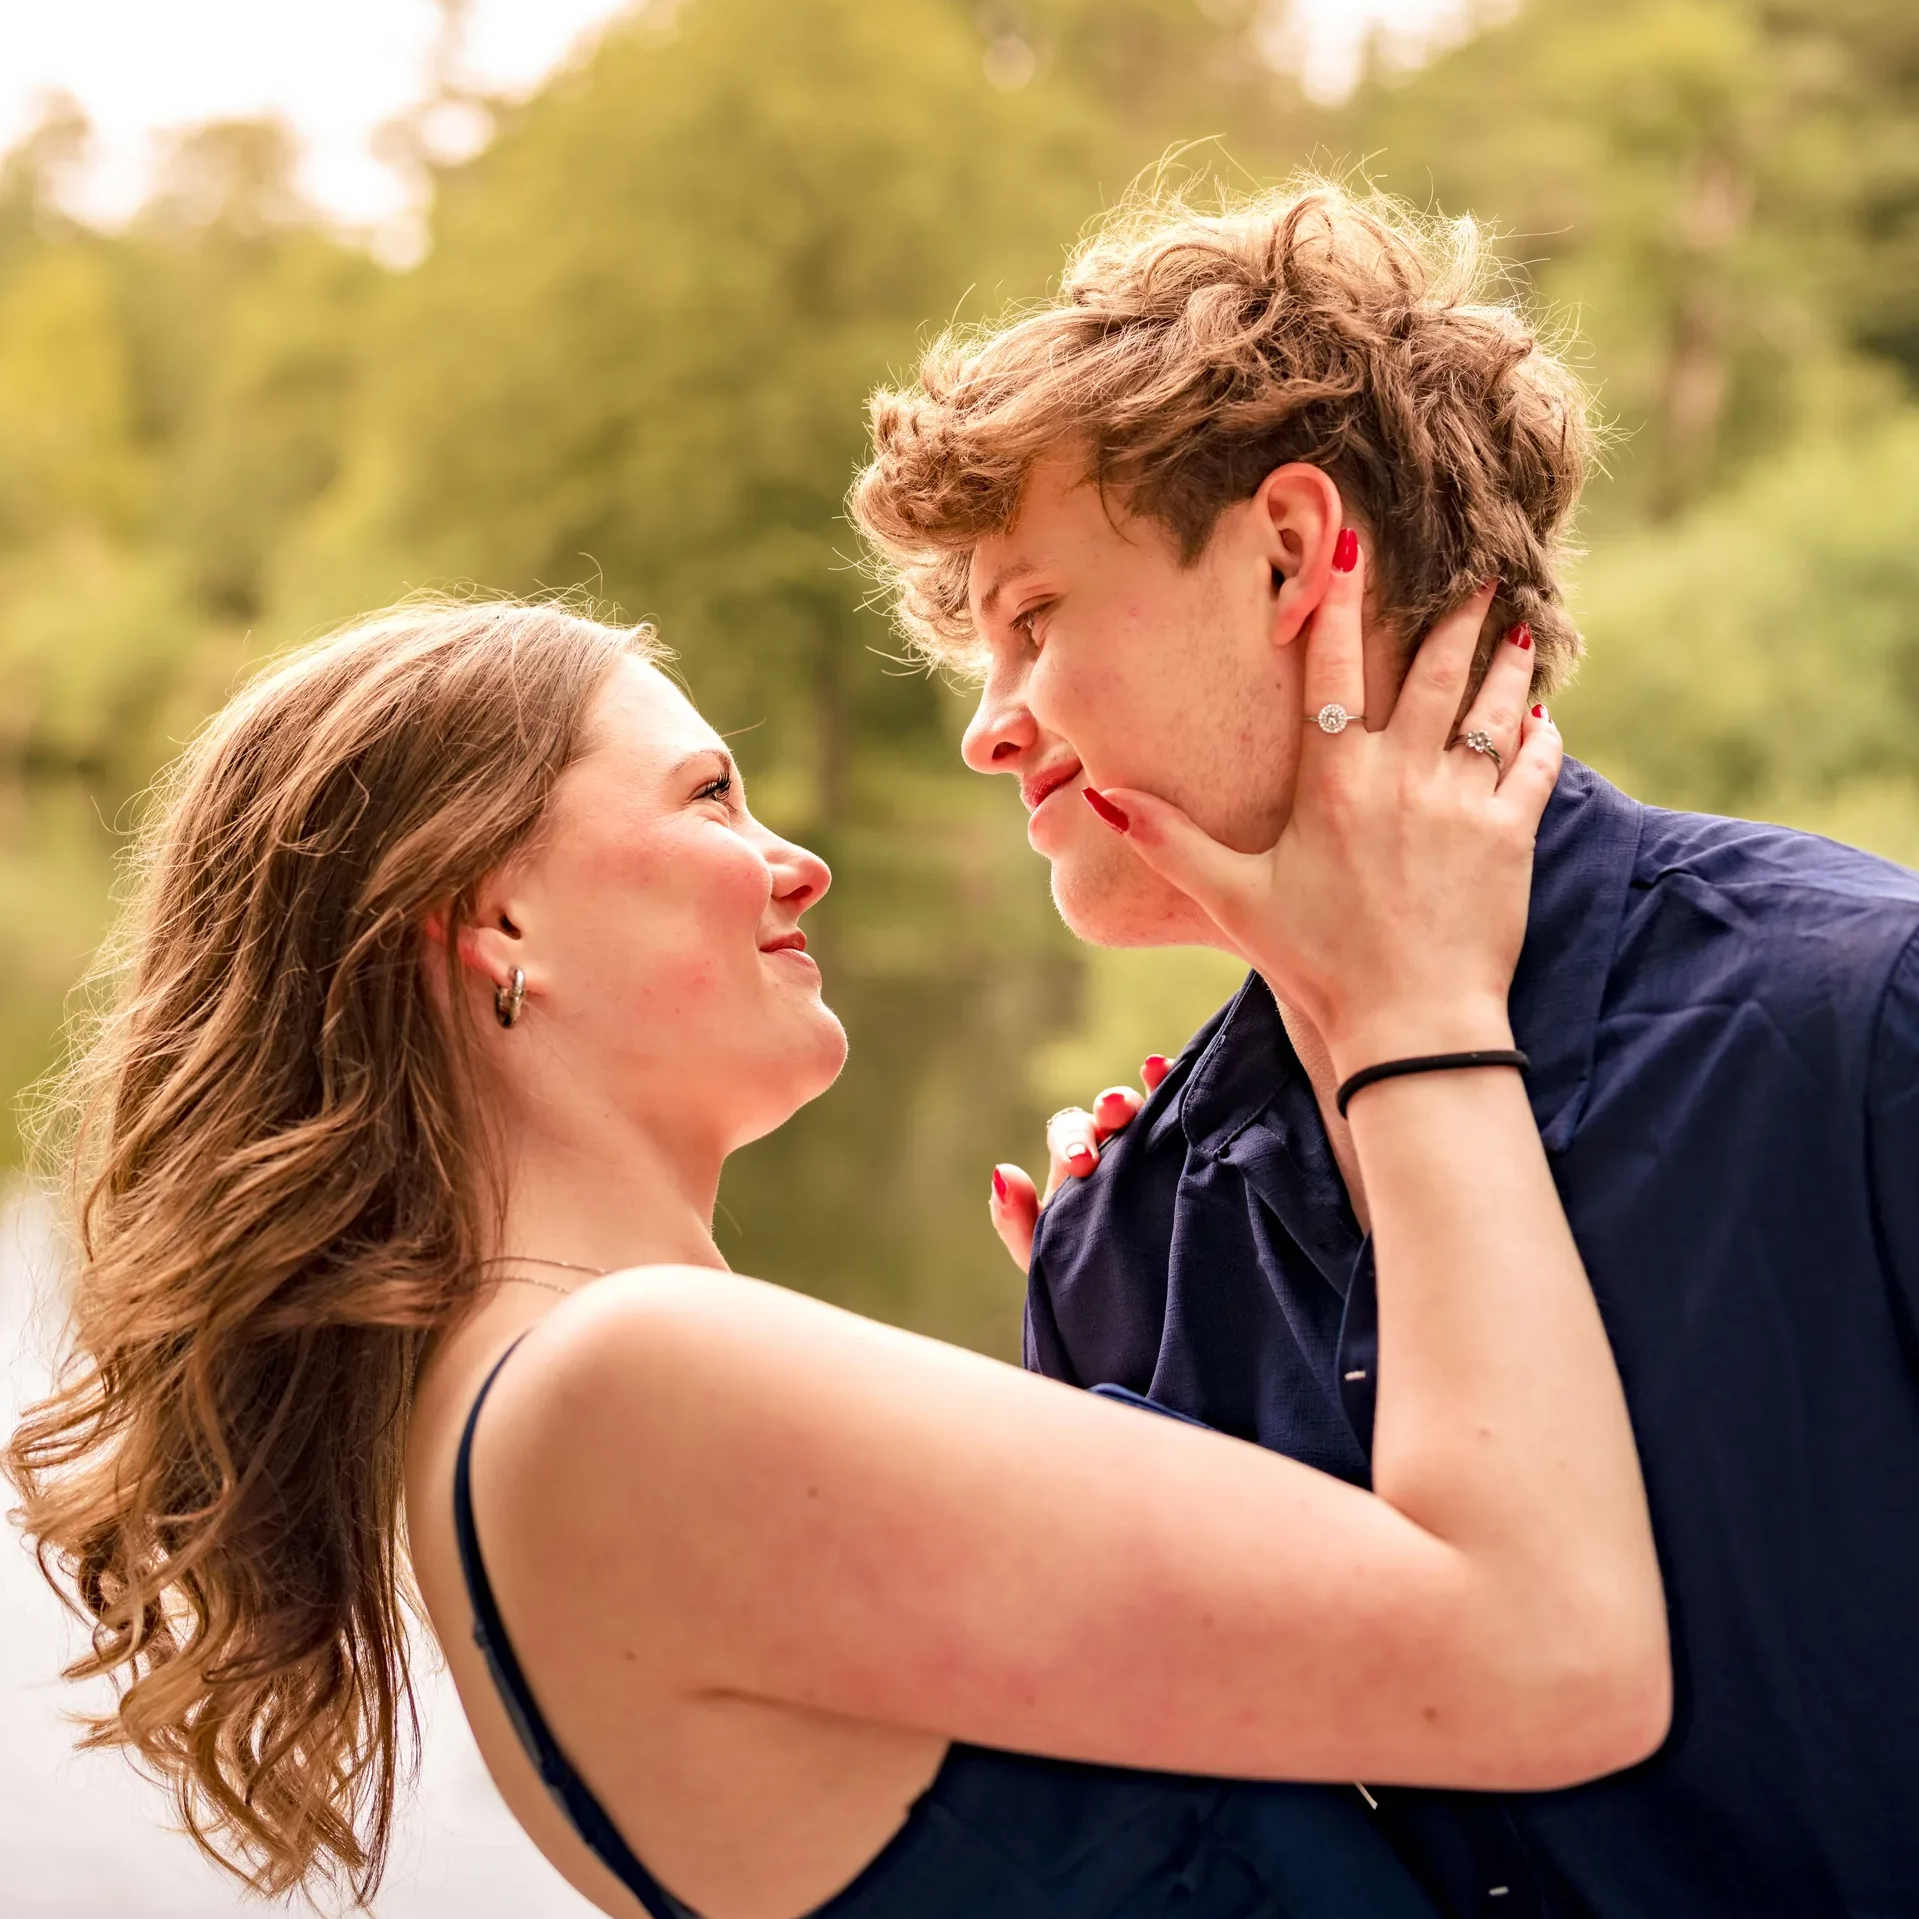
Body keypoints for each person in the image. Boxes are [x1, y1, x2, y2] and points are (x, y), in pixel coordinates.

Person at [5, 593, 1665, 1919]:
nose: (797, 857)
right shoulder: (619, 1386)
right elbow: (1555, 1656)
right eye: (709, 794)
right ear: (493, 921)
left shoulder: (528, 1409)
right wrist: (1411, 1009)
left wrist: (1150, 1350)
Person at [852, 178, 1919, 1918]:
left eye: (1030, 618)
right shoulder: (1121, 1239)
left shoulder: (1865, 1024)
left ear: (1290, 552)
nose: (985, 726)